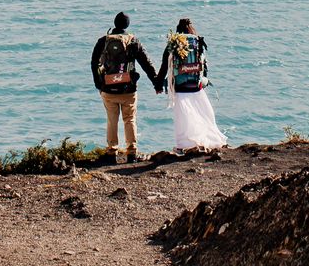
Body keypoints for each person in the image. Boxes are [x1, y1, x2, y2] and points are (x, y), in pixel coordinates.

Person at [90, 11, 159, 163]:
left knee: (111, 120)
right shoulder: (133, 41)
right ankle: (132, 152)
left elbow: (94, 63)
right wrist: (156, 82)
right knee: (130, 119)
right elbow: (146, 63)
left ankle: (111, 152)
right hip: (128, 89)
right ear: (127, 25)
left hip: (108, 88)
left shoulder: (103, 41)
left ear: (114, 24)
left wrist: (99, 84)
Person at [156, 17, 228, 152]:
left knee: (183, 118)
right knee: (203, 114)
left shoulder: (173, 43)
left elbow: (164, 66)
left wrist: (158, 85)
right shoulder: (198, 42)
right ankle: (208, 140)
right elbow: (204, 65)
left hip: (180, 87)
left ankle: (184, 145)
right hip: (196, 86)